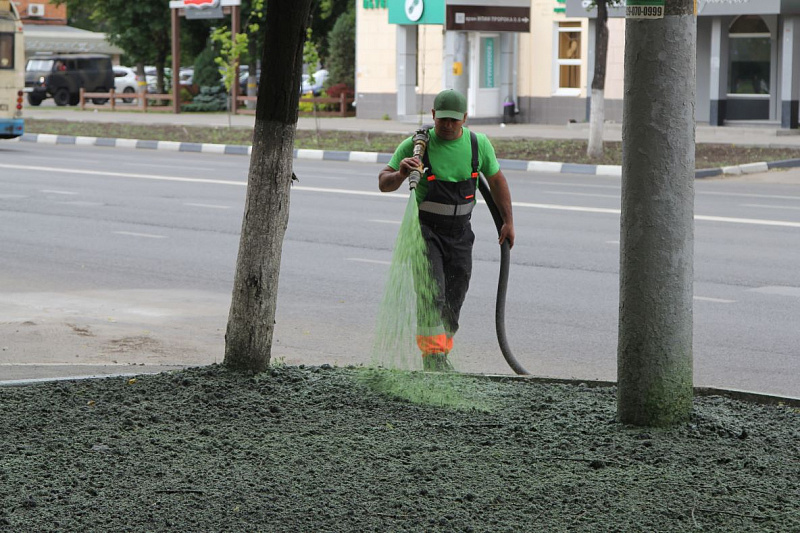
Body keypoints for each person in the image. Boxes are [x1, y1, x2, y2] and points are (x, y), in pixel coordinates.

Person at [378, 89, 515, 371]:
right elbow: (383, 182)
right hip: (426, 233)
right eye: (443, 120)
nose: (448, 126)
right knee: (432, 294)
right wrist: (401, 174)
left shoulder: (478, 145)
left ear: (465, 118)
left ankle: (441, 351)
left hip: (462, 234)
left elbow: (497, 180)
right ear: (433, 116)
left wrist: (508, 221)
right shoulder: (417, 146)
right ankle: (432, 358)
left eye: (454, 120)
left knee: (455, 295)